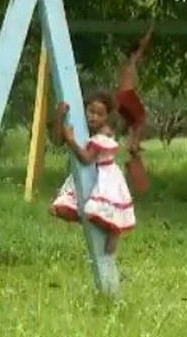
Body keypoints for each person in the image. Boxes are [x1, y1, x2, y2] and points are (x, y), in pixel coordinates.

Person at [49, 92, 136, 294]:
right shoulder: (83, 126)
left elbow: (87, 159)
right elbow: (57, 141)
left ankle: (114, 235)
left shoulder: (104, 133)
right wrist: (59, 117)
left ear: (107, 117)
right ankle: (98, 227)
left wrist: (71, 140)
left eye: (99, 114)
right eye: (91, 112)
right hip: (91, 177)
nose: (93, 117)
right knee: (65, 208)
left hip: (105, 177)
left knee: (110, 215)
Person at [115, 25, 154, 155]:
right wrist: (151, 29)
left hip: (120, 97)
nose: (142, 57)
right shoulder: (132, 61)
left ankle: (132, 145)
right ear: (134, 53)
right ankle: (134, 144)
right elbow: (142, 45)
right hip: (127, 95)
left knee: (133, 122)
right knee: (141, 117)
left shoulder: (126, 64)